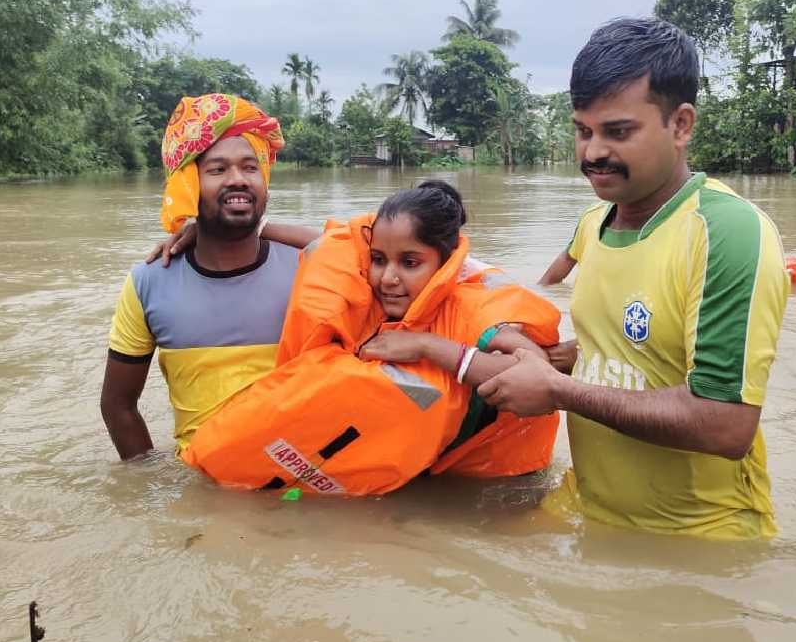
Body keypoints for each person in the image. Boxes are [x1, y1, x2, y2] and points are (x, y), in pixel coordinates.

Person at [478, 17, 790, 539]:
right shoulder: (595, 224)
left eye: (617, 132)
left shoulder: (726, 233)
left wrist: (558, 391)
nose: (593, 152)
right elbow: (625, 345)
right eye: (583, 130)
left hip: (698, 539)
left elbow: (725, 423)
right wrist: (546, 357)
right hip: (584, 506)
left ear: (681, 124)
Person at [182, 180, 562, 494]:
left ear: (445, 262)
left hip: (494, 488)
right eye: (379, 259)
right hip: (426, 476)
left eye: (409, 263)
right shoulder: (372, 284)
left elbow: (535, 372)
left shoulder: (476, 307)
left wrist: (426, 346)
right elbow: (321, 243)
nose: (388, 278)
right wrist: (212, 232)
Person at [101, 94, 308, 459]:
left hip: (300, 485)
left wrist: (265, 228)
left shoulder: (309, 266)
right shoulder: (150, 281)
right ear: (188, 185)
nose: (238, 180)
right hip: (202, 487)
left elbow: (370, 242)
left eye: (250, 167)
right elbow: (118, 405)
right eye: (217, 170)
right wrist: (145, 487)